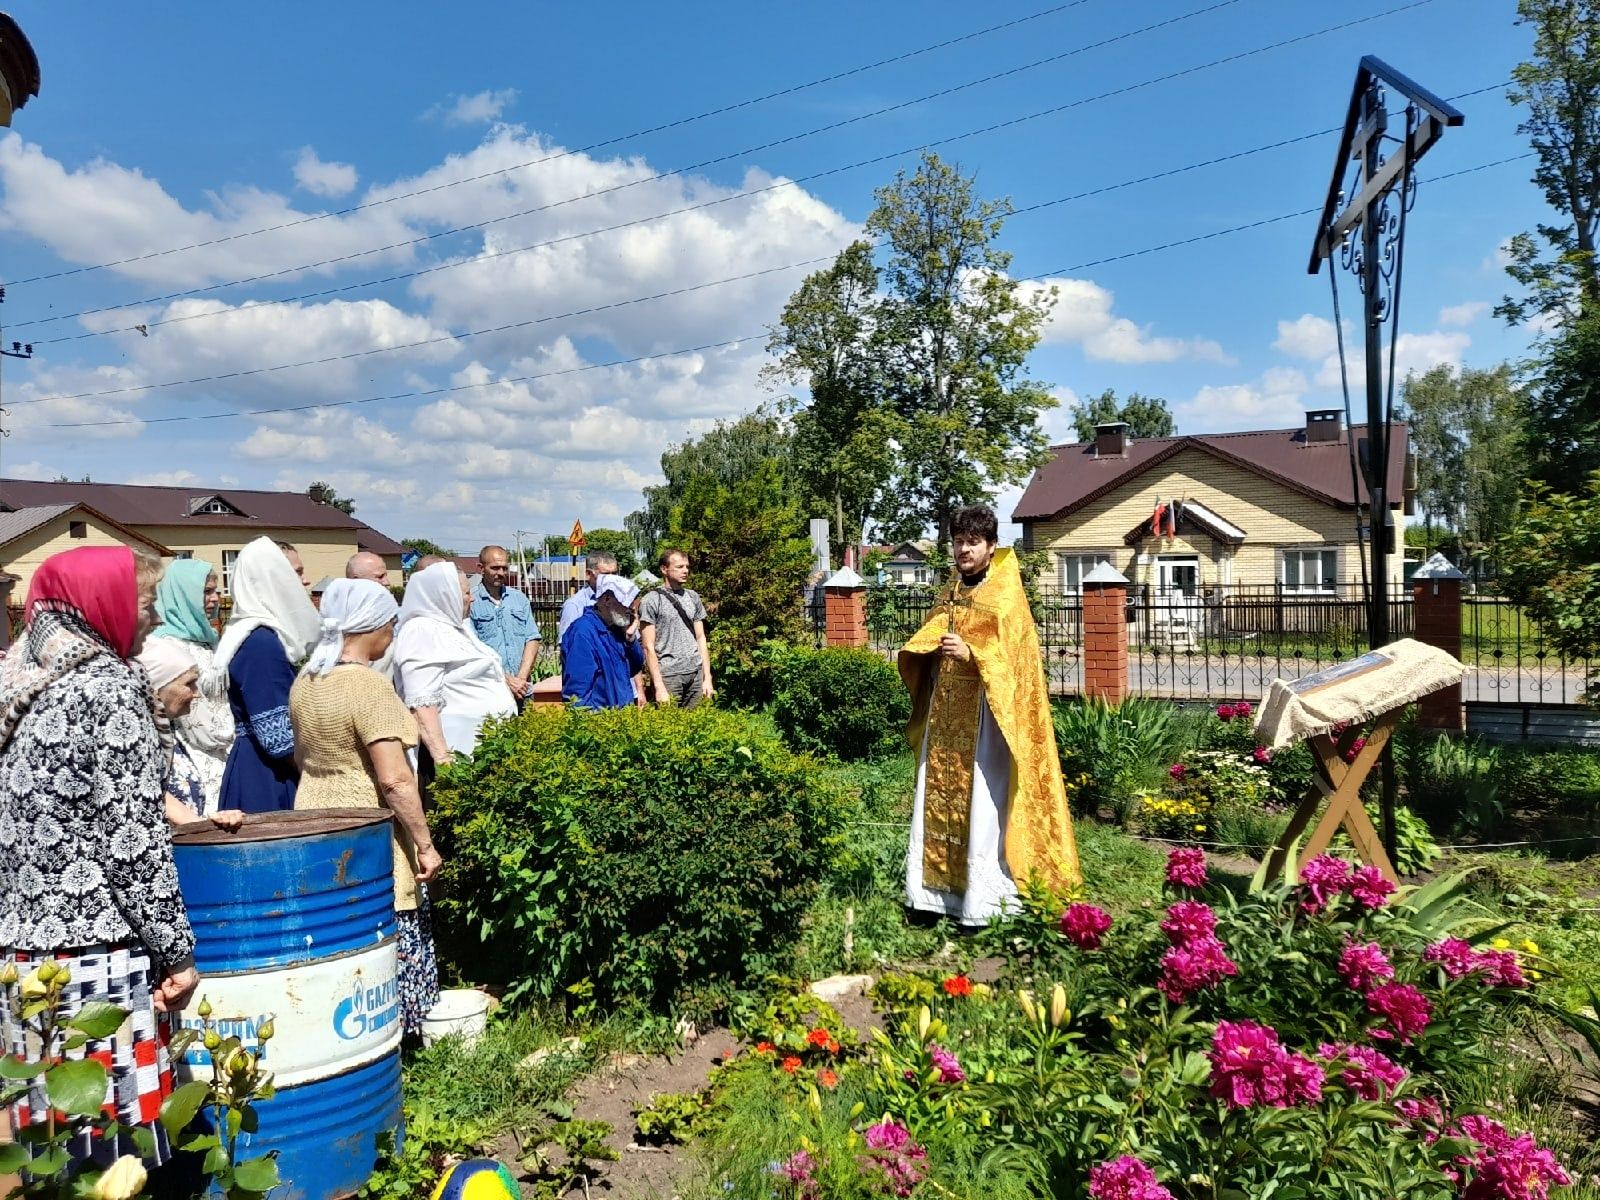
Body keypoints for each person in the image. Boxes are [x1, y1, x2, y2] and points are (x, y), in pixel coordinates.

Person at [0, 546, 199, 1170]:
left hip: (25, 960)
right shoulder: (110, 688)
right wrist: (178, 954)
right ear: (101, 607)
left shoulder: (26, 688)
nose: (148, 622)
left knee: (47, 1138)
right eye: (142, 606)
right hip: (95, 961)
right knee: (112, 1152)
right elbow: (133, 843)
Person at [898, 504, 1080, 926]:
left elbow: (1018, 664)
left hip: (987, 720)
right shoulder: (951, 590)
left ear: (991, 546)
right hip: (945, 714)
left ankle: (977, 904)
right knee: (934, 799)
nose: (963, 550)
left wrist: (972, 653)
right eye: (958, 541)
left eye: (972, 542)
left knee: (981, 806)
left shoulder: (1005, 597)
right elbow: (932, 634)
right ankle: (930, 897)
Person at [291, 579, 442, 1036]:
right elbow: (394, 778)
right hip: (365, 819)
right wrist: (425, 842)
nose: (393, 632)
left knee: (337, 920)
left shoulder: (307, 679)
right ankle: (397, 1025)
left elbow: (301, 755)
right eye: (390, 623)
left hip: (313, 812)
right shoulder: (368, 688)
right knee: (387, 910)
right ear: (372, 627)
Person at [207, 536, 322, 813]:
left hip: (263, 768)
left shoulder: (254, 635)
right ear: (273, 578)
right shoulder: (260, 642)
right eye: (296, 573)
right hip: (268, 777)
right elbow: (278, 738)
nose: (305, 582)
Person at [394, 562, 517, 765]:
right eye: (466, 593)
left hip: (478, 753)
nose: (473, 598)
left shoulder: (453, 627)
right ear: (445, 595)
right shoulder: (421, 631)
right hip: (455, 755)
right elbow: (422, 704)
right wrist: (445, 761)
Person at [148, 557, 235, 810]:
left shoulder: (208, 640)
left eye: (216, 591)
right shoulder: (168, 647)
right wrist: (234, 739)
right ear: (183, 595)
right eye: (206, 592)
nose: (216, 598)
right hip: (195, 759)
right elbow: (194, 719)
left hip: (223, 756)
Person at [137, 637, 246, 832]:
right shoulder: (136, 738)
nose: (196, 693)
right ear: (157, 687)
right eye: (189, 684)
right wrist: (200, 827)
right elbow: (142, 787)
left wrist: (214, 821)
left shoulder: (166, 734)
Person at [640, 549, 713, 708]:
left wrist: (707, 678)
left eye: (687, 567)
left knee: (696, 726)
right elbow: (648, 647)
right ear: (664, 569)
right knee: (668, 727)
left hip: (695, 673)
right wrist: (658, 686)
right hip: (669, 675)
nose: (685, 571)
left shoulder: (693, 597)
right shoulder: (652, 600)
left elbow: (701, 638)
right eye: (679, 567)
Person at [468, 545, 541, 704]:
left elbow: (532, 638)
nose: (500, 573)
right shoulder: (471, 601)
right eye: (494, 568)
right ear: (481, 568)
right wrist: (506, 679)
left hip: (522, 690)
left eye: (504, 568)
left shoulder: (519, 599)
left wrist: (520, 678)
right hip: (489, 691)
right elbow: (472, 649)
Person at [560, 575, 645, 710]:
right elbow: (577, 693)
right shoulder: (582, 632)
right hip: (599, 723)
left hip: (618, 718)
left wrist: (630, 639)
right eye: (626, 604)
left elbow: (636, 667)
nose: (630, 610)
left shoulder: (616, 629)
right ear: (607, 600)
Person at [346, 551, 396, 680]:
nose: (387, 582)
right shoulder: (339, 620)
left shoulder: (390, 615)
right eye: (379, 577)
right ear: (356, 580)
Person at [557, 551, 619, 641]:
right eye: (605, 575)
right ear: (588, 574)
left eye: (614, 574)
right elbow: (568, 646)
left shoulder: (621, 600)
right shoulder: (575, 606)